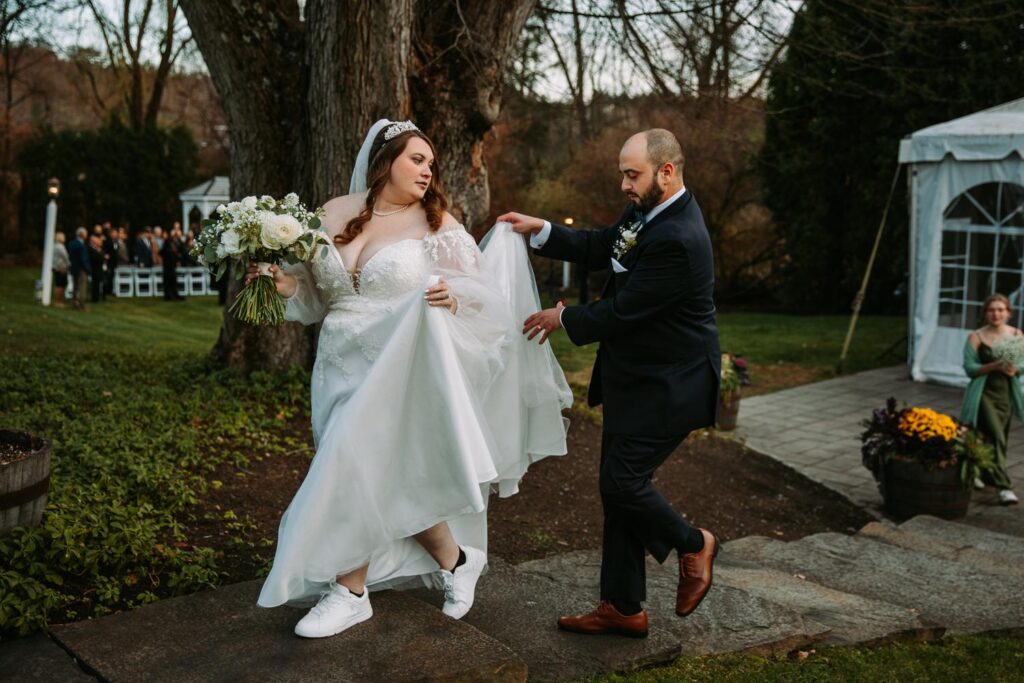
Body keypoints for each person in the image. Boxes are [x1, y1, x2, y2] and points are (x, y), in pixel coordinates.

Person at [254, 119, 571, 638]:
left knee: (353, 464)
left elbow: (487, 299)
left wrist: (454, 298)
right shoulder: (332, 213)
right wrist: (284, 284)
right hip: (339, 361)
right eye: (416, 159)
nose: (427, 171)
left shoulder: (437, 224)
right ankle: (456, 560)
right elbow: (316, 300)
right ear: (385, 161)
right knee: (379, 474)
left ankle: (349, 592)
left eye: (431, 163)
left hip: (400, 363)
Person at [498, 128, 721, 638]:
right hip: (635, 379)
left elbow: (624, 311)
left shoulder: (679, 238)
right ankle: (622, 607)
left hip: (671, 384)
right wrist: (542, 230)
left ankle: (694, 544)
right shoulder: (647, 210)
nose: (624, 184)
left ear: (666, 171)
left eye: (632, 174)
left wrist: (562, 317)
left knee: (622, 483)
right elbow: (602, 245)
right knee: (618, 488)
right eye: (623, 174)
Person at [962, 293, 1021, 505]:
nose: (996, 314)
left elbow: (1022, 364)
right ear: (985, 313)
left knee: (995, 438)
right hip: (983, 394)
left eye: (1000, 310)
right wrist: (993, 366)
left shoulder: (1016, 334)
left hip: (1005, 395)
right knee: (996, 437)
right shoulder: (976, 337)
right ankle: (1004, 487)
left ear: (1008, 313)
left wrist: (1015, 369)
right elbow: (969, 368)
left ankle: (978, 472)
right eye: (991, 310)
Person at [67, 227, 91, 311]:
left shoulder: (71, 244)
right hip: (81, 269)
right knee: (82, 287)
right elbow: (83, 259)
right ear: (82, 235)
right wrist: (88, 269)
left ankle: (75, 302)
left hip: (74, 267)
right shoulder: (81, 245)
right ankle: (81, 304)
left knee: (75, 286)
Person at [160, 226, 185, 301]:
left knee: (173, 282)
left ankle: (174, 294)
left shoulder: (170, 248)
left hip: (171, 268)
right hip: (168, 269)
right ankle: (170, 296)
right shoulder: (167, 249)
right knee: (169, 282)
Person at [51, 231, 70, 307]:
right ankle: (58, 301)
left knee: (58, 284)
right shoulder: (60, 247)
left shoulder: (54, 246)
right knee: (60, 285)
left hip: (55, 267)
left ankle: (58, 301)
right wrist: (68, 264)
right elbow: (65, 257)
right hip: (61, 268)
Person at [88, 233, 106, 303]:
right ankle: (95, 298)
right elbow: (96, 258)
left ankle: (98, 297)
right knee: (95, 284)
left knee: (98, 283)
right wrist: (103, 257)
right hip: (95, 268)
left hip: (99, 268)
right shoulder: (91, 249)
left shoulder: (98, 249)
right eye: (96, 241)